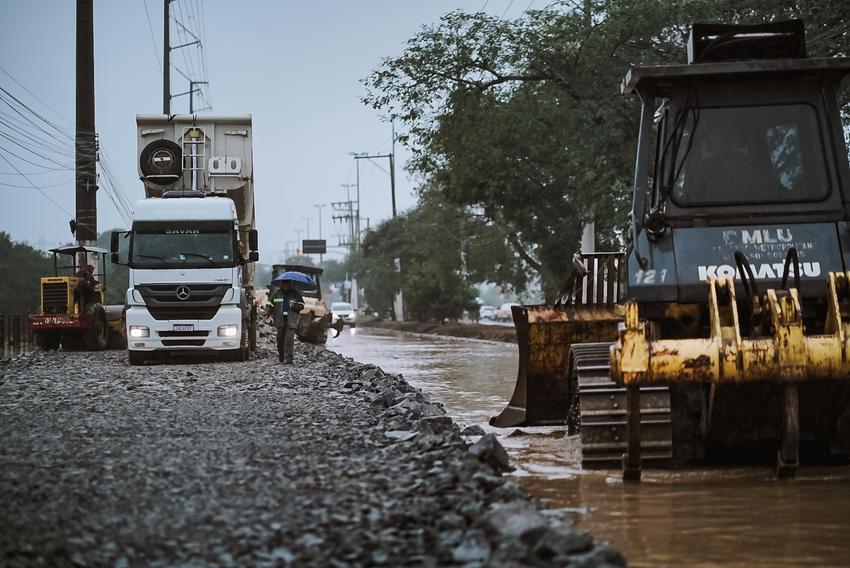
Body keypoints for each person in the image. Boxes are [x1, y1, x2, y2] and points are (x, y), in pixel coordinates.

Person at [267, 280, 304, 364]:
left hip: (291, 320)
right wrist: (267, 312)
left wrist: (294, 305)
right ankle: (281, 354)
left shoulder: (296, 295)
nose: (286, 287)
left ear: (290, 285)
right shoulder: (277, 294)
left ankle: (289, 358)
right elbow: (270, 303)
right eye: (284, 285)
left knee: (289, 340)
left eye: (287, 285)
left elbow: (302, 305)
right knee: (280, 339)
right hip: (280, 320)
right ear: (282, 285)